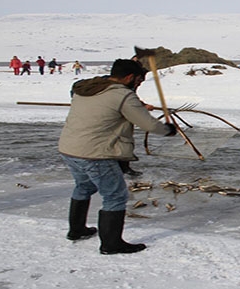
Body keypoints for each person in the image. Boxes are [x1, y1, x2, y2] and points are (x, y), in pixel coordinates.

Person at [58, 59, 177, 255]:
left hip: (70, 149)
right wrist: (168, 130)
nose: (138, 85)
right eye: (138, 81)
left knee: (84, 187)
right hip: (95, 153)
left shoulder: (86, 88)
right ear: (129, 77)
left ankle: (77, 230)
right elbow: (148, 125)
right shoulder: (122, 95)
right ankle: (111, 244)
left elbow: (105, 105)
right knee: (115, 196)